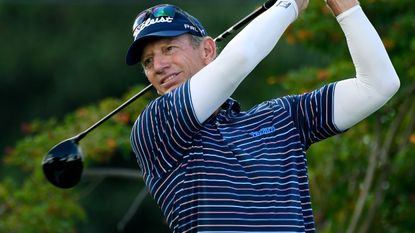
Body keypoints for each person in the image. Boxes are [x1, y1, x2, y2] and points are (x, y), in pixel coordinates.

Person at [126, 0, 400, 232]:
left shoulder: (281, 119)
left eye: (169, 49)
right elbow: (238, 62)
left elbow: (378, 85)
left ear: (208, 50)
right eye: (148, 61)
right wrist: (289, 5)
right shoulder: (154, 126)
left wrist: (347, 7)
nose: (158, 66)